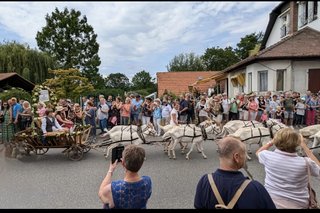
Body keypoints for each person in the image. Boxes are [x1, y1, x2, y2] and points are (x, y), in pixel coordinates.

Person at [194, 136, 276, 209]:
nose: (246, 158)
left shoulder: (205, 181)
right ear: (236, 157)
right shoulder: (255, 188)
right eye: (244, 153)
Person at [256, 128, 320, 209]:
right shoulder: (306, 163)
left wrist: (271, 142)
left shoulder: (267, 156)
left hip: (270, 201)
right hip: (298, 204)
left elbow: (258, 152)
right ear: (297, 143)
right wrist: (305, 147)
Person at [98, 144, 152, 209]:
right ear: (142, 163)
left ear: (123, 163)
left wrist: (110, 170)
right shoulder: (147, 182)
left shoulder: (114, 188)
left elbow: (101, 194)